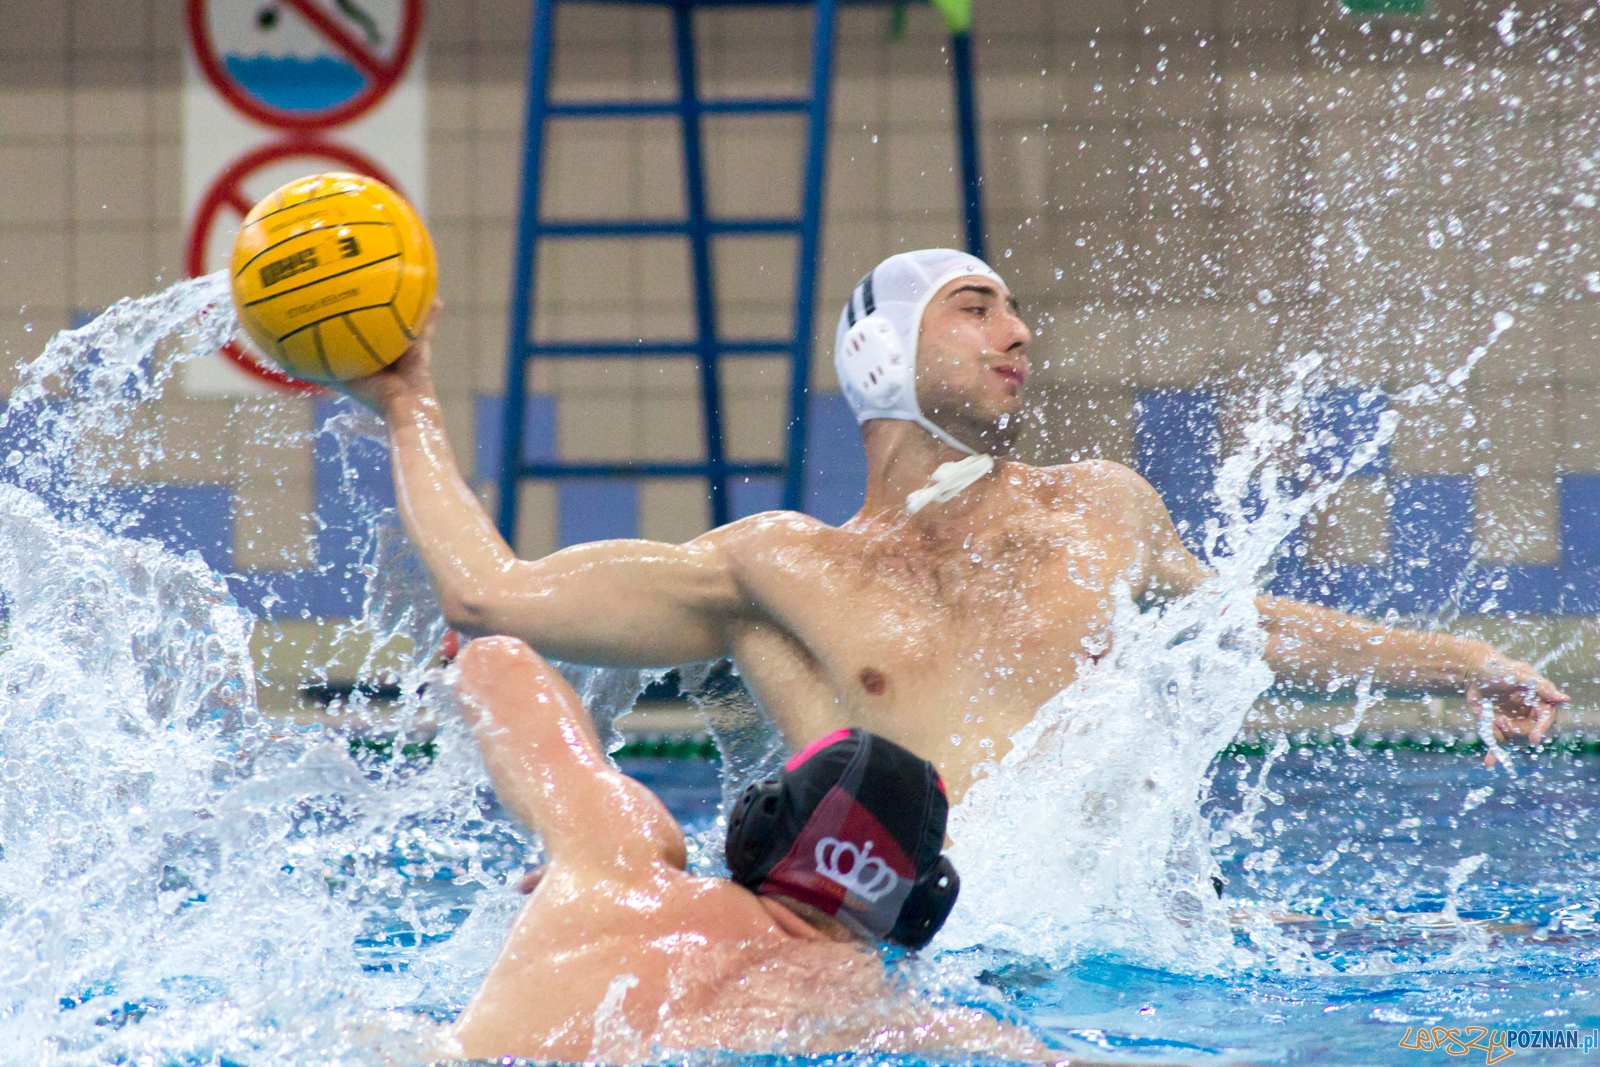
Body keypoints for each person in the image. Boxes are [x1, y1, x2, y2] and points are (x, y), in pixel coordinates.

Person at [347, 249, 1564, 801]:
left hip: (1105, 958)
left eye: (1015, 311)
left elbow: (1247, 626)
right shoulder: (779, 567)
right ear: (880, 351)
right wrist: (410, 403)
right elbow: (489, 596)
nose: (1017, 331)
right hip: (907, 960)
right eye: (974, 307)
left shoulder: (1099, 506)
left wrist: (1460, 660)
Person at [434, 634, 1055, 1062]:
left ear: (754, 827)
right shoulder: (880, 1006)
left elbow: (498, 664)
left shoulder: (615, 856)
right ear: (916, 912)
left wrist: (577, 874)